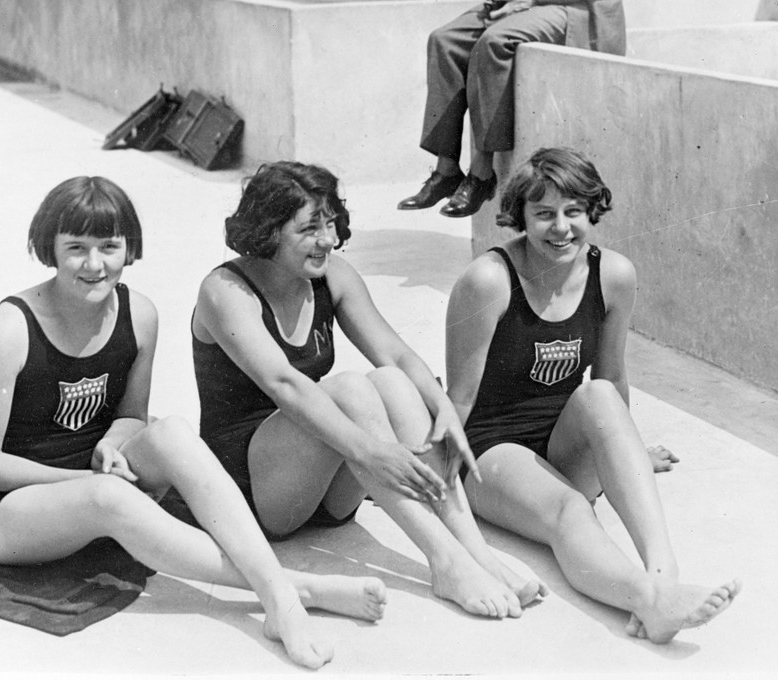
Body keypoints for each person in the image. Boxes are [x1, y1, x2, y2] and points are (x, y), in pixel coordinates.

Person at [0, 176, 388, 670]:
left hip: (99, 475)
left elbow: (130, 416)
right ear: (49, 249)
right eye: (76, 248)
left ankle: (279, 590)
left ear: (129, 248)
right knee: (108, 497)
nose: (94, 264)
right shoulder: (8, 329)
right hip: (12, 510)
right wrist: (85, 481)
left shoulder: (138, 313)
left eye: (109, 247)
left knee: (172, 431)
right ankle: (290, 592)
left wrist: (112, 443)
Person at [192, 161, 546, 620]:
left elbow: (395, 355)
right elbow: (284, 385)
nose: (327, 239)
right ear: (268, 230)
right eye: (309, 228)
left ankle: (475, 553)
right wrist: (373, 452)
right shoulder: (224, 290)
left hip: (326, 486)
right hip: (255, 494)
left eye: (330, 222)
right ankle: (445, 561)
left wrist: (443, 408)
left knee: (393, 382)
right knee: (349, 389)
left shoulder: (332, 276)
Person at [444, 147, 741, 643]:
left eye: (573, 211)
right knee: (570, 510)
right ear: (520, 216)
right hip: (491, 451)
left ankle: (663, 573)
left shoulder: (613, 274)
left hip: (561, 442)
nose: (561, 227)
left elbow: (612, 376)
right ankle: (649, 601)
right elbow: (458, 398)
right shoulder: (488, 280)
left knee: (599, 393)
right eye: (544, 213)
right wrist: (429, 475)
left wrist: (627, 455)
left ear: (592, 211)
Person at [397, 0, 626, 218]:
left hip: (576, 8)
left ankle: (482, 174)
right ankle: (446, 170)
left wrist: (528, 3)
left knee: (494, 42)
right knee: (444, 41)